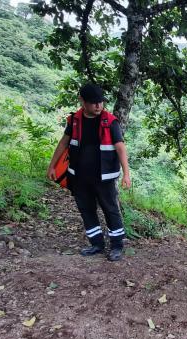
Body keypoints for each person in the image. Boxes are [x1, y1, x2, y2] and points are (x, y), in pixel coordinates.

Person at [47, 83, 131, 262]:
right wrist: (52, 165)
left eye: (100, 102)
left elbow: (120, 147)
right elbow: (64, 142)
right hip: (78, 176)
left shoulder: (110, 121)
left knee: (110, 210)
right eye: (94, 102)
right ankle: (96, 244)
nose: (98, 105)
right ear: (82, 101)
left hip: (104, 177)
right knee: (86, 210)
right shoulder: (75, 120)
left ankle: (117, 246)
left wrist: (127, 173)